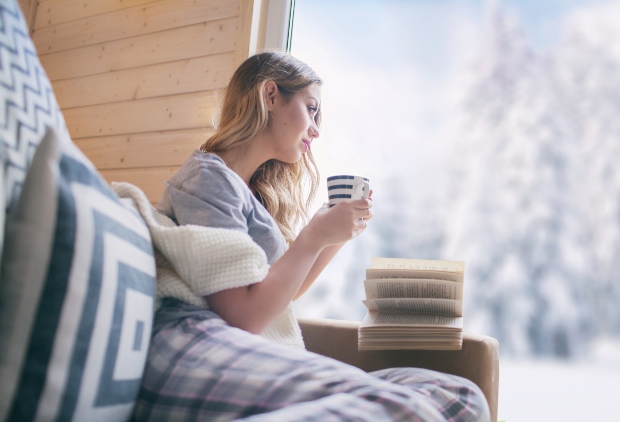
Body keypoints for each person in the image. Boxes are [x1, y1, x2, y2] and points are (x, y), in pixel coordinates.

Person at [131, 52, 490, 421]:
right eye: (311, 108)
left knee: (459, 394)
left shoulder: (252, 191)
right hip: (192, 349)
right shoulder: (209, 178)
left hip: (232, 346)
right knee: (411, 407)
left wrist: (334, 236)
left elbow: (281, 298)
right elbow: (244, 315)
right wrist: (313, 238)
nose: (317, 129)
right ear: (270, 96)